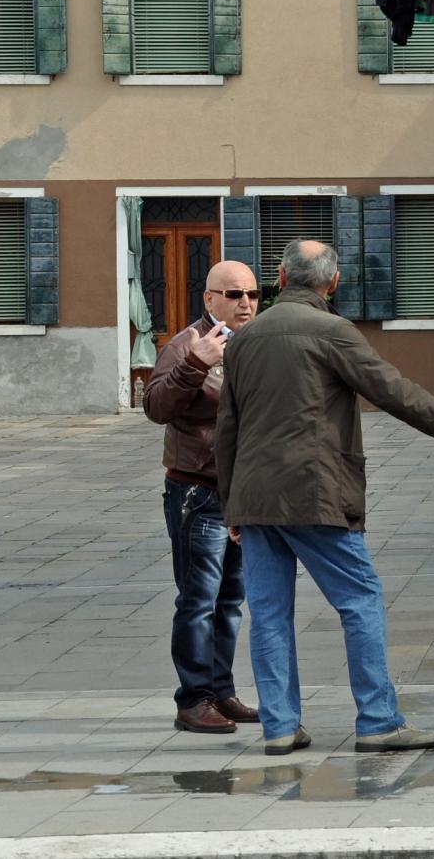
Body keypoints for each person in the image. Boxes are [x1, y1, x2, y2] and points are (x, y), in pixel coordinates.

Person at [213, 239, 434, 755]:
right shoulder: (332, 331)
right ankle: (378, 720)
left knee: (270, 613)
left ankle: (278, 725)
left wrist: (232, 503)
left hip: (255, 498)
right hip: (315, 492)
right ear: (333, 282)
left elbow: (226, 429)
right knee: (359, 599)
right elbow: (392, 389)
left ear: (279, 276)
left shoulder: (246, 339)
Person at [142, 260, 263, 735]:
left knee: (231, 598)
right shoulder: (186, 345)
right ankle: (193, 699)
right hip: (198, 489)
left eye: (253, 293)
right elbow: (155, 407)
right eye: (234, 295)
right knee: (199, 599)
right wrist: (196, 365)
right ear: (209, 299)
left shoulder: (252, 343)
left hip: (240, 491)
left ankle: (221, 690)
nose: (246, 303)